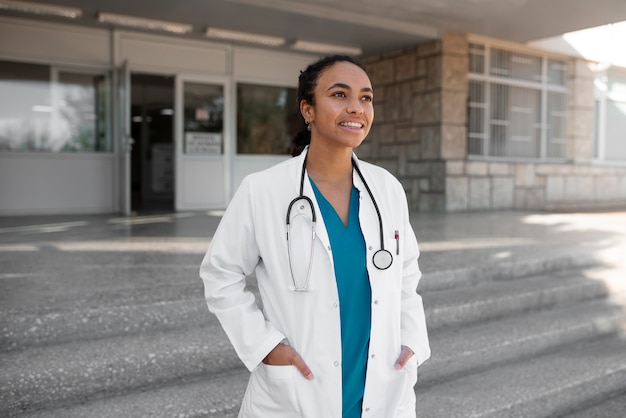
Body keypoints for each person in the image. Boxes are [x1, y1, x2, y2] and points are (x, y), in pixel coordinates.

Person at [199, 54, 430, 417]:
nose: (356, 107)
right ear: (308, 109)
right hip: (296, 392)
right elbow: (220, 273)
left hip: (382, 385)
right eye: (340, 95)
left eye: (366, 97)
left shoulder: (387, 188)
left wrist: (413, 341)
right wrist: (264, 346)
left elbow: (407, 274)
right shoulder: (264, 190)